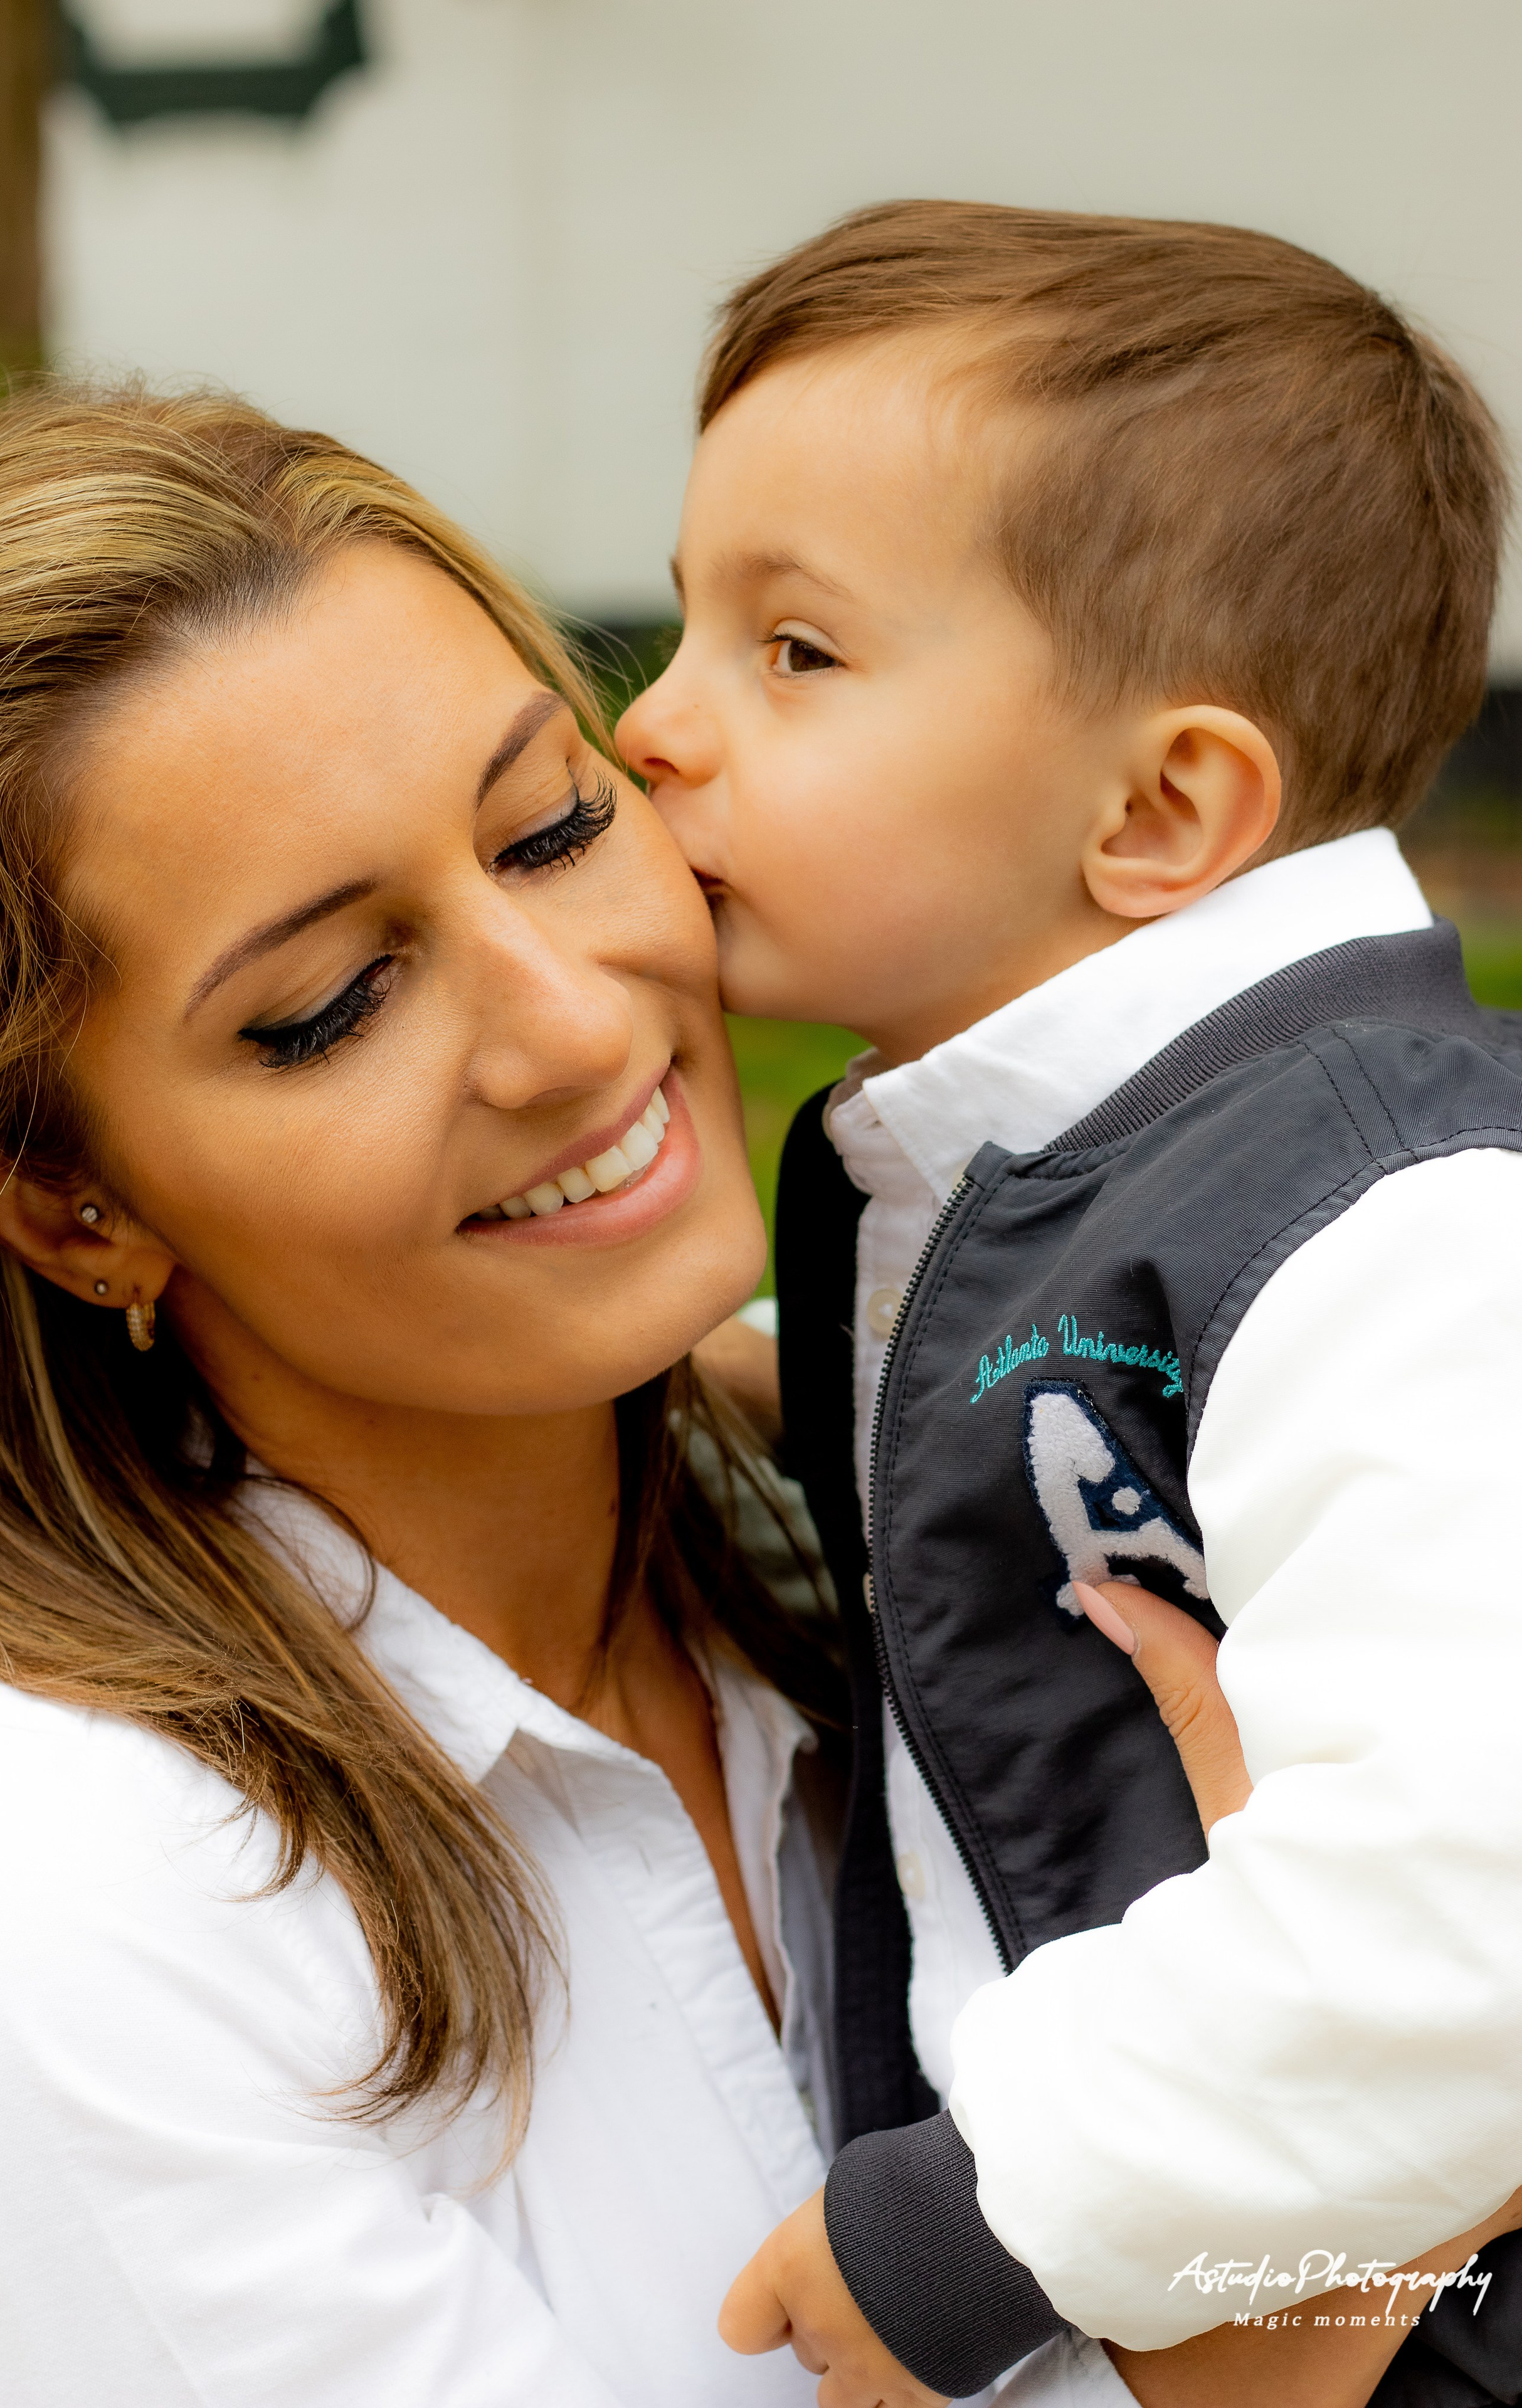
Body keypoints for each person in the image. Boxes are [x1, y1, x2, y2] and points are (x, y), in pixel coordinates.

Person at [618, 200, 1522, 2405]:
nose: (654, 728)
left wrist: (996, 2204)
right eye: (681, 628)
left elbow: (1478, 1871)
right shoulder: (1098, 1169)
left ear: (1162, 806)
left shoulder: (1395, 1224)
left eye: (794, 655)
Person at [0, 382, 848, 2408]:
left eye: (557, 827)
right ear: (72, 1206)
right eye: (329, 1004)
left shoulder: (899, 1511)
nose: (575, 1019)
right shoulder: (57, 1921)